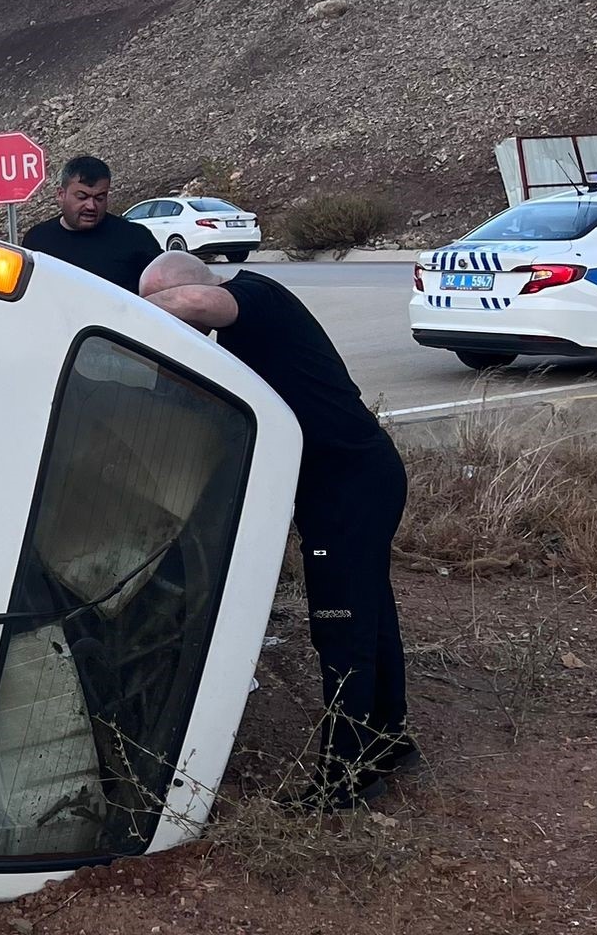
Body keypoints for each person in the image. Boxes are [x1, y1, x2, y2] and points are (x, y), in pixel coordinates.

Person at [141, 251, 412, 807]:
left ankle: (348, 776)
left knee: (341, 628)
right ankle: (389, 737)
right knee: (371, 614)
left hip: (349, 485)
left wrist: (135, 312)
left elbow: (192, 299)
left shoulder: (253, 298)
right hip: (353, 476)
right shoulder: (246, 320)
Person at [20, 154, 163, 291]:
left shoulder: (135, 237)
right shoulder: (37, 240)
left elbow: (163, 287)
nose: (91, 206)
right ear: (61, 195)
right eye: (82, 197)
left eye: (100, 198)